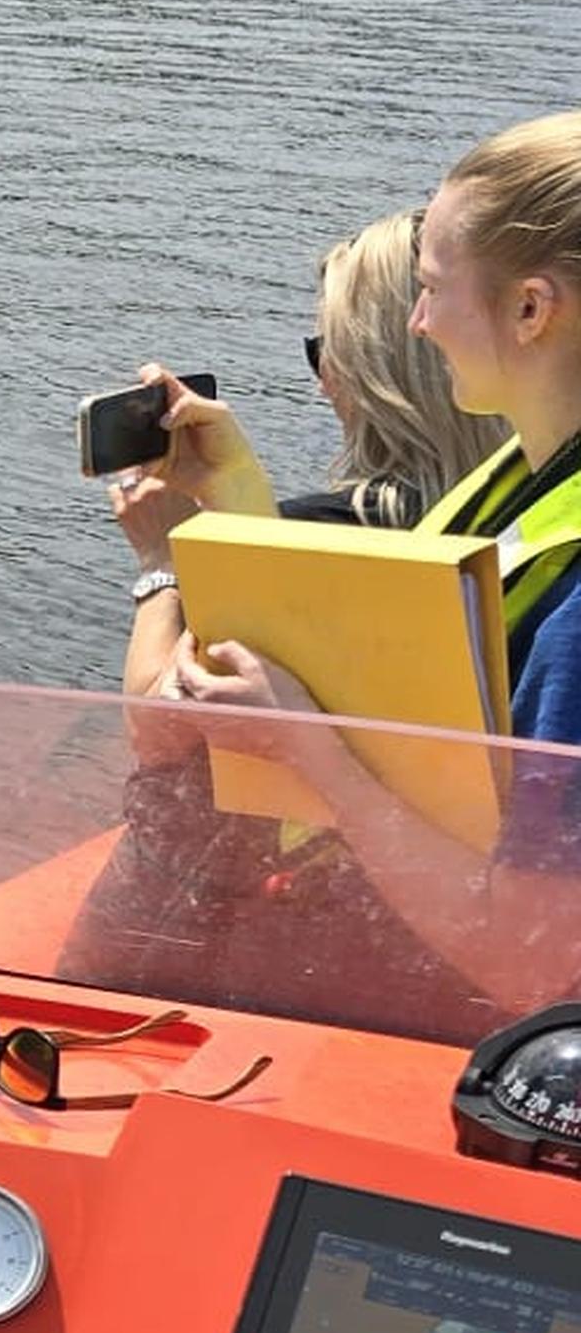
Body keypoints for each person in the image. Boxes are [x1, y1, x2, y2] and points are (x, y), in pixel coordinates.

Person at [154, 111, 581, 1011]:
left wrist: (311, 754)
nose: (419, 323)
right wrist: (236, 497)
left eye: (430, 288)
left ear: (532, 309)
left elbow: (531, 960)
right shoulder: (529, 478)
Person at [108, 206, 510, 694]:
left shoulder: (321, 538)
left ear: (374, 374)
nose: (321, 382)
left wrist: (162, 562)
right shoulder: (526, 509)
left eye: (324, 351)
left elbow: (159, 726)